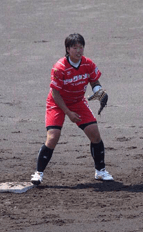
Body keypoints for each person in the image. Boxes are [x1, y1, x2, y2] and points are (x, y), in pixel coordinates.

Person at [30, 33, 113, 185]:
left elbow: (94, 81)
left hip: (77, 102)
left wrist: (99, 92)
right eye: (75, 47)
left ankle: (100, 171)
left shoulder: (88, 64)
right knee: (53, 136)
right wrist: (68, 112)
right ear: (68, 49)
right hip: (57, 102)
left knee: (94, 133)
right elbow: (55, 93)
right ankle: (38, 173)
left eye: (81, 47)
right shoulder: (59, 67)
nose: (79, 50)